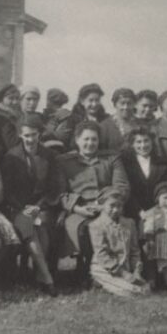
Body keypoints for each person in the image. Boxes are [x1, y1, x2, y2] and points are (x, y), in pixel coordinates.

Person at [55, 120, 129, 283]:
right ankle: (86, 267)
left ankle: (104, 268)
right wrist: (77, 208)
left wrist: (106, 205)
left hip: (108, 207)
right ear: (77, 140)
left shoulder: (111, 158)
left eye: (94, 139)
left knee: (105, 225)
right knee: (82, 229)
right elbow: (60, 192)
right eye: (86, 139)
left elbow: (121, 185)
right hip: (79, 209)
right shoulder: (63, 161)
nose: (90, 143)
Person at [0, 114, 58, 293]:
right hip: (17, 208)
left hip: (42, 206)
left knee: (43, 225)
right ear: (20, 136)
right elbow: (7, 190)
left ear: (39, 134)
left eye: (34, 134)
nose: (30, 139)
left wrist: (39, 206)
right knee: (28, 225)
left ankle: (39, 274)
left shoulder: (49, 156)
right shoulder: (11, 157)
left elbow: (54, 187)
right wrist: (23, 208)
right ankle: (46, 277)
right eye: (26, 135)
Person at [87, 189, 150, 298]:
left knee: (146, 289)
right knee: (133, 292)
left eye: (119, 206)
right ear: (102, 205)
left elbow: (134, 250)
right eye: (112, 206)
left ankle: (108, 285)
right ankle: (99, 281)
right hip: (105, 267)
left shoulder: (129, 223)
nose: (116, 210)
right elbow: (102, 255)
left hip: (125, 267)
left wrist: (136, 271)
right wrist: (124, 274)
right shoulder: (96, 225)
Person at [119, 126, 167, 220]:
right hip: (132, 212)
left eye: (146, 141)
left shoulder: (161, 163)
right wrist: (139, 211)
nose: (143, 145)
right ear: (132, 144)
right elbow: (127, 190)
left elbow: (164, 187)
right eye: (138, 142)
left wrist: (157, 208)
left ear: (152, 142)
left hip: (157, 211)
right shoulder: (125, 163)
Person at [99, 87, 142, 153]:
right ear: (115, 105)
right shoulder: (104, 126)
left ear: (134, 104)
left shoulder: (141, 124)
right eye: (122, 103)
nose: (126, 107)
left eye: (129, 103)